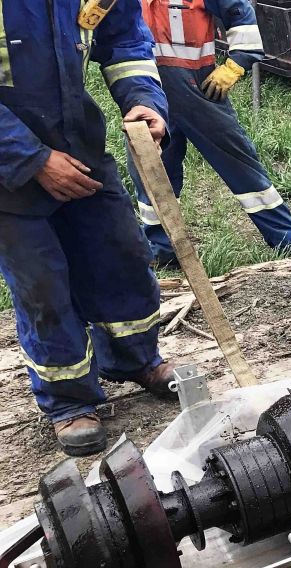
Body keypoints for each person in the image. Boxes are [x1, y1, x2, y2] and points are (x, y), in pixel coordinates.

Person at [0, 0, 177, 456]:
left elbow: (125, 40)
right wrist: (31, 159)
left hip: (80, 145)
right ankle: (69, 401)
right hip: (7, 170)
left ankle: (136, 360)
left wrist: (142, 100)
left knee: (121, 254)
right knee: (42, 284)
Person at [131, 0, 291, 268]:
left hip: (197, 89)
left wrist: (235, 64)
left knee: (239, 163)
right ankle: (161, 249)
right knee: (150, 170)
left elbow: (241, 16)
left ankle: (288, 240)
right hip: (145, 91)